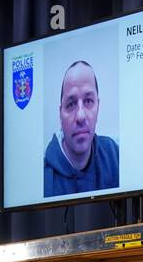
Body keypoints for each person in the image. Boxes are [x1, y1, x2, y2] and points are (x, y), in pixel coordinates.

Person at [43, 60, 120, 197]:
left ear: (98, 106)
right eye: (71, 104)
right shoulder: (43, 179)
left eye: (89, 101)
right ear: (60, 113)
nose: (80, 116)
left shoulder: (114, 154)